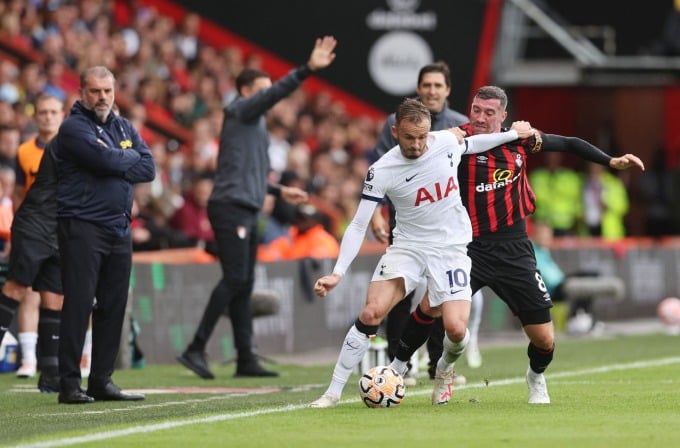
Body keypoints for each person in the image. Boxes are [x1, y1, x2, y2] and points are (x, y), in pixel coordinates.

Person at [373, 85, 645, 404]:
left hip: (513, 247)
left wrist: (611, 161)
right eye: (476, 110)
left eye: (490, 113)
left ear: (503, 116)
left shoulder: (521, 139)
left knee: (544, 339)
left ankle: (536, 376)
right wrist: (378, 207)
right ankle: (406, 370)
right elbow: (404, 161)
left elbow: (569, 143)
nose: (481, 118)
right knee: (432, 308)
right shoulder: (454, 140)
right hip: (465, 247)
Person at [309, 98, 534, 408]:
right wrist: (338, 272)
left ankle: (444, 369)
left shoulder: (444, 141)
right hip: (408, 247)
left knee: (456, 330)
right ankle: (332, 393)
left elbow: (476, 142)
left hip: (450, 248)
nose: (417, 144)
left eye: (422, 136)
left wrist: (512, 134)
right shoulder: (382, 170)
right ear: (395, 131)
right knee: (371, 313)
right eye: (408, 137)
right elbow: (359, 223)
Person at [176, 36, 335, 380]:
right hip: (231, 207)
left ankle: (246, 357)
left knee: (244, 283)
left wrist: (279, 191)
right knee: (235, 279)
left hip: (247, 206)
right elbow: (274, 96)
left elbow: (250, 172)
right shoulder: (239, 110)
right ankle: (195, 347)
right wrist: (307, 69)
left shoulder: (255, 124)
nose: (268, 97)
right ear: (247, 91)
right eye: (262, 91)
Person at [52, 66, 155, 404]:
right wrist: (124, 157)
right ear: (82, 92)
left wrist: (116, 157)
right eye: (95, 91)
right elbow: (104, 160)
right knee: (79, 303)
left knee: (113, 305)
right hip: (82, 226)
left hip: (119, 227)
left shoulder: (123, 125)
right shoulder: (73, 128)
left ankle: (101, 380)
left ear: (114, 92)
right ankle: (68, 383)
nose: (102, 97)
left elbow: (148, 168)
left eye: (107, 91)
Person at [369, 61, 468, 384]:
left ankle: (438, 364)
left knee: (442, 295)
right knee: (401, 294)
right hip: (406, 227)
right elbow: (381, 169)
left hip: (446, 230)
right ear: (418, 88)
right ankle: (399, 365)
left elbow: (467, 177)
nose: (432, 91)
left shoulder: (460, 125)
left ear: (448, 90)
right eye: (427, 85)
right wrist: (375, 212)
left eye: (438, 86)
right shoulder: (394, 124)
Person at [11, 94, 64, 380]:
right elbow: (19, 195)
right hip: (33, 226)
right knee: (24, 292)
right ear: (35, 117)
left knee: (55, 296)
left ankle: (51, 365)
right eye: (42, 112)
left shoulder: (72, 148)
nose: (47, 117)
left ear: (62, 115)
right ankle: (29, 359)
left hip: (60, 228)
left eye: (53, 112)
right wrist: (16, 232)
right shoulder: (23, 151)